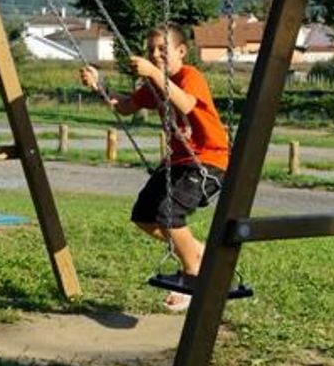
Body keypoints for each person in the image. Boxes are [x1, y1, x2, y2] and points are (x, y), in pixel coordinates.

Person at [80, 24, 229, 312]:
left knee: (169, 213)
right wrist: (100, 85)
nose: (156, 55)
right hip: (178, 160)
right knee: (144, 216)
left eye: (163, 49)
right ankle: (196, 250)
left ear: (182, 52)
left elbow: (185, 104)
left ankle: (193, 277)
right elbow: (124, 106)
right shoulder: (152, 84)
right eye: (151, 50)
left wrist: (152, 72)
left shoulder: (190, 76)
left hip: (208, 160)